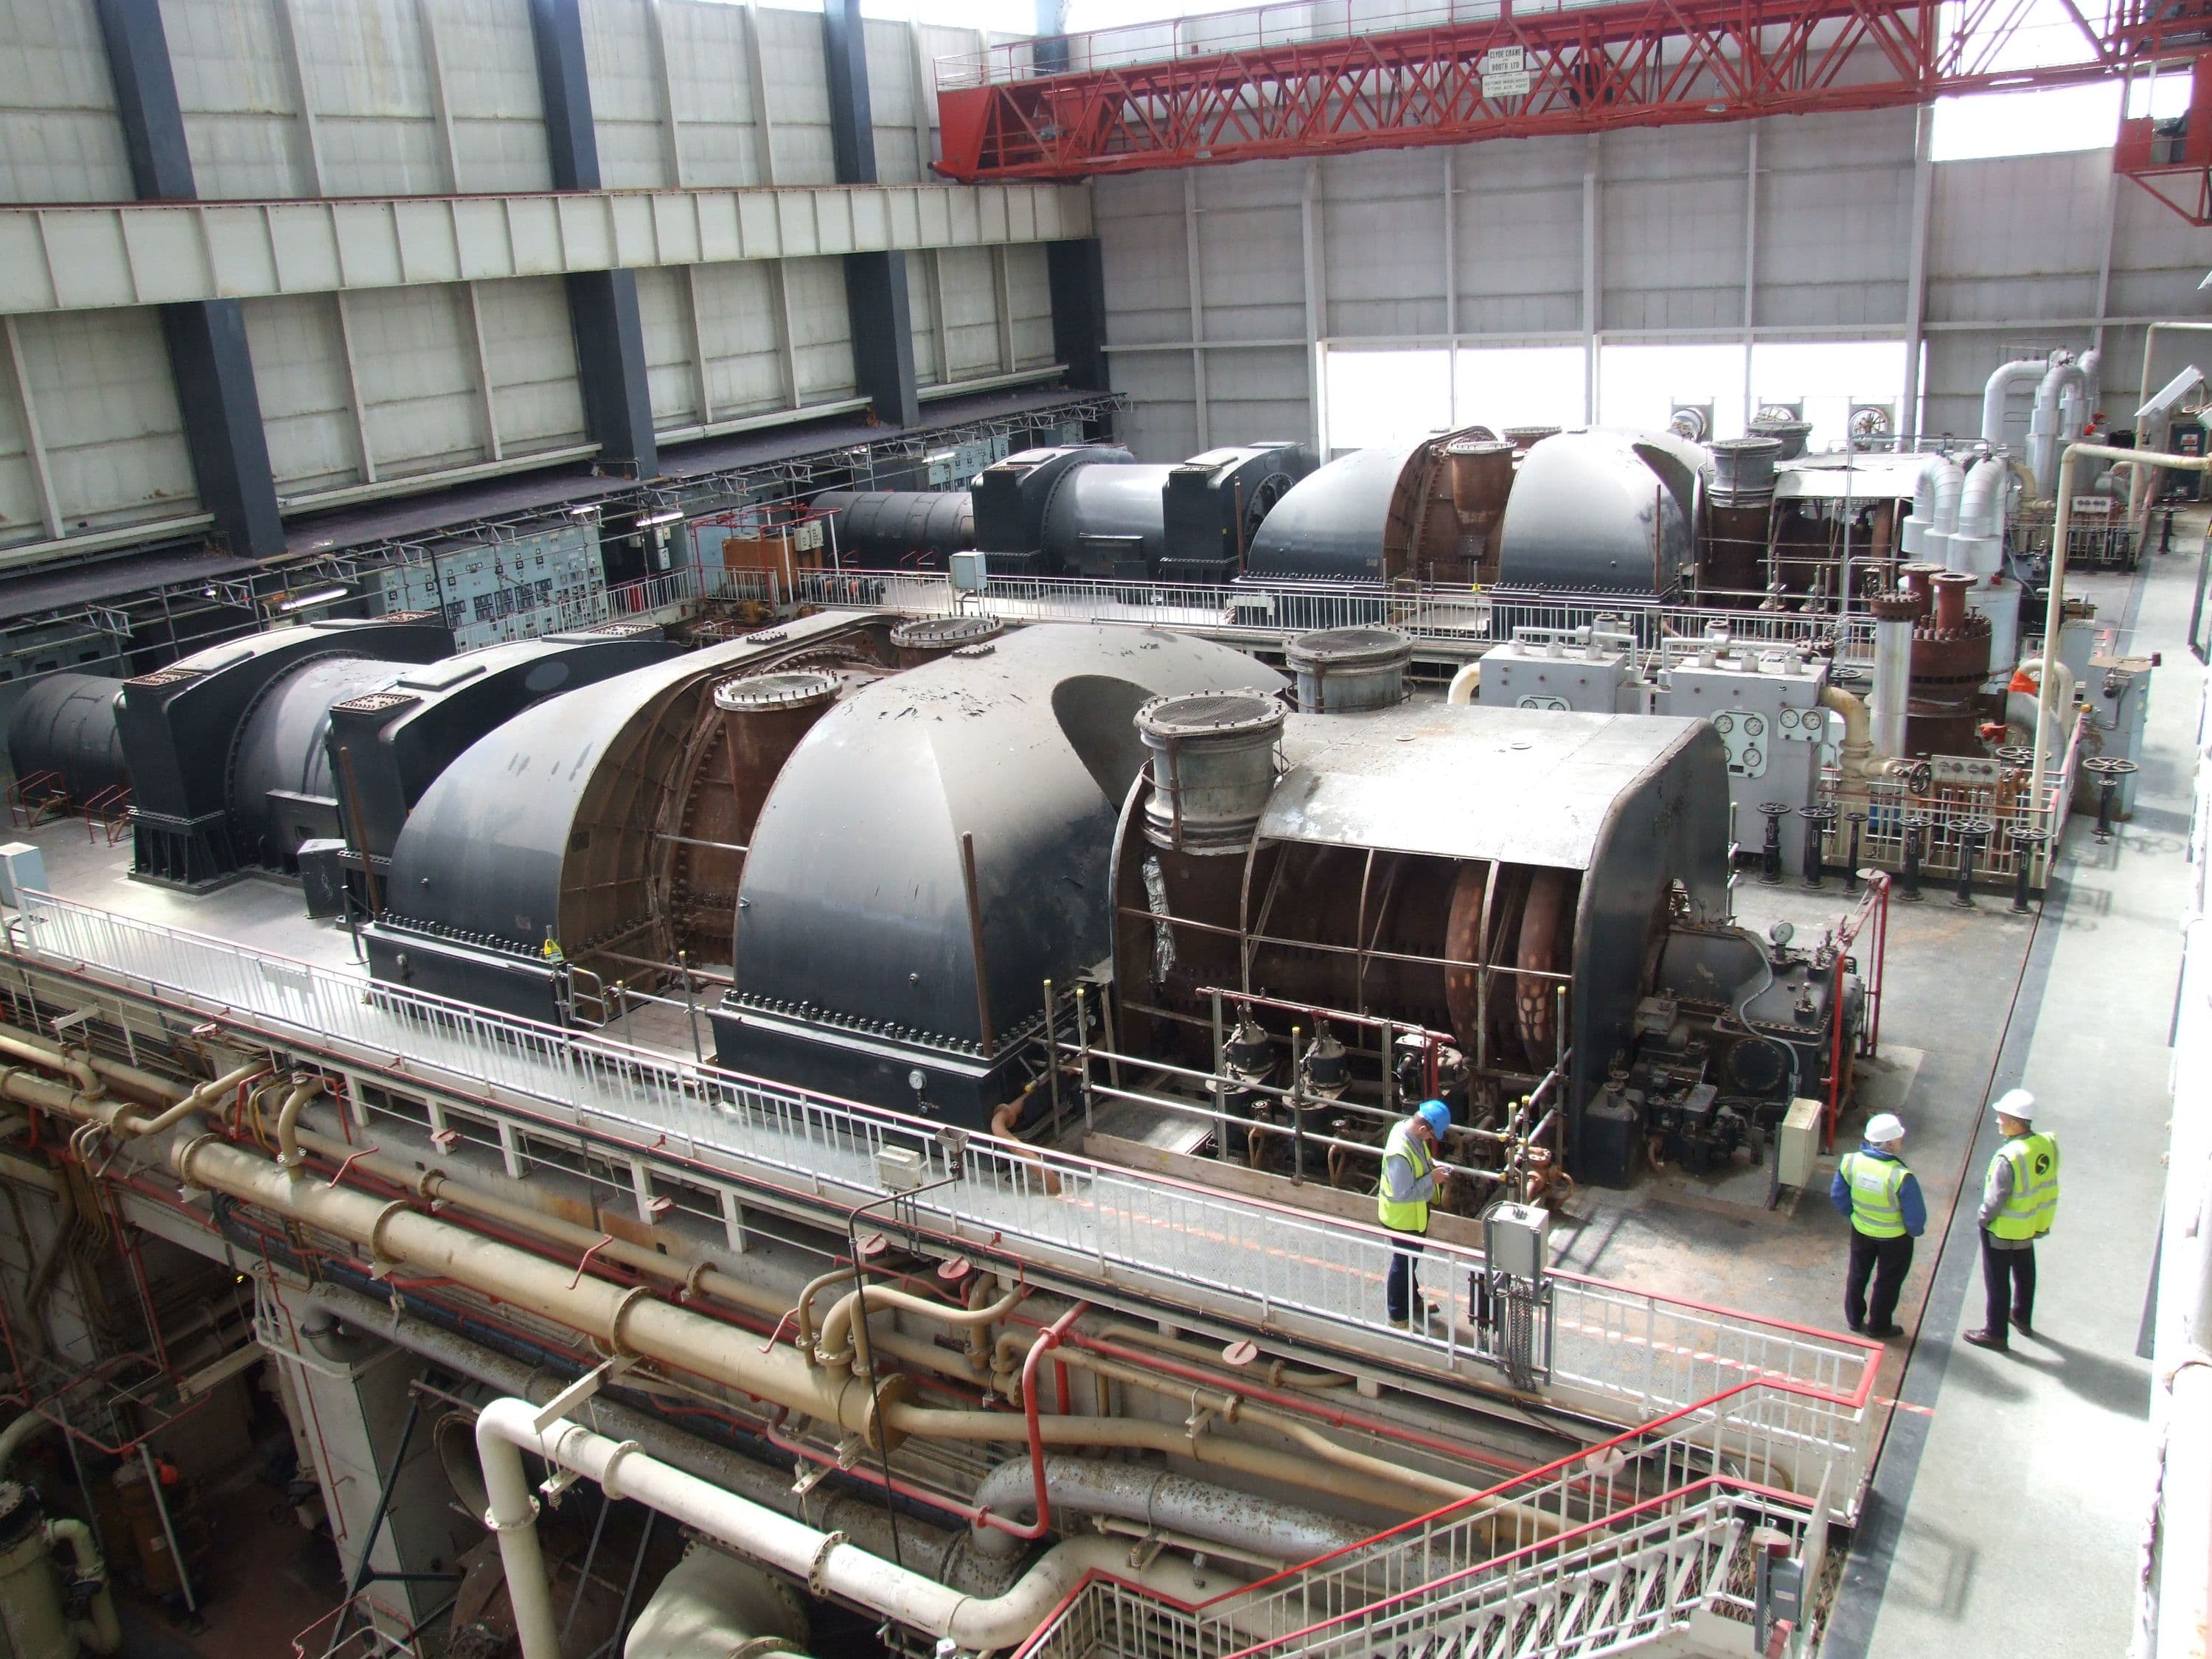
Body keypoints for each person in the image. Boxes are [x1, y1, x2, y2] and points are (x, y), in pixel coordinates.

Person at [1964, 1089, 2060, 1352]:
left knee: (1997, 1280)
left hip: (2002, 1229)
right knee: (2025, 1272)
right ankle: (2021, 1316)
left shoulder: (2010, 1157)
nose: (1998, 1121)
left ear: (2016, 1122)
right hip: (2030, 1225)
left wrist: (1982, 1219)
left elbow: (1996, 1200)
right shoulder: (2046, 1144)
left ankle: (1995, 1332)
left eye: (2001, 1117)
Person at [1830, 1113, 1926, 1338]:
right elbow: (1916, 1217)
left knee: (1857, 1274)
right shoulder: (1901, 1176)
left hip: (1862, 1231)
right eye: (1899, 1138)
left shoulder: (1850, 1163)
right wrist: (1913, 1232)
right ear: (1891, 1144)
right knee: (1888, 1282)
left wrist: (1855, 1215)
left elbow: (1838, 1196)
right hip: (1895, 1239)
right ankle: (1879, 1325)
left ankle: (1854, 1319)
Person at [1378, 1099, 1451, 1329]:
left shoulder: (1405, 1130)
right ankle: (1397, 1314)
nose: (1431, 1139)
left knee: (1410, 1261)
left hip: (1413, 1215)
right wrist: (1432, 1179)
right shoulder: (1399, 1153)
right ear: (1423, 1128)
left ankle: (1414, 1300)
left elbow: (1421, 1162)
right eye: (1431, 1135)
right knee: (1403, 1264)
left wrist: (1434, 1169)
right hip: (1402, 1218)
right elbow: (1403, 1193)